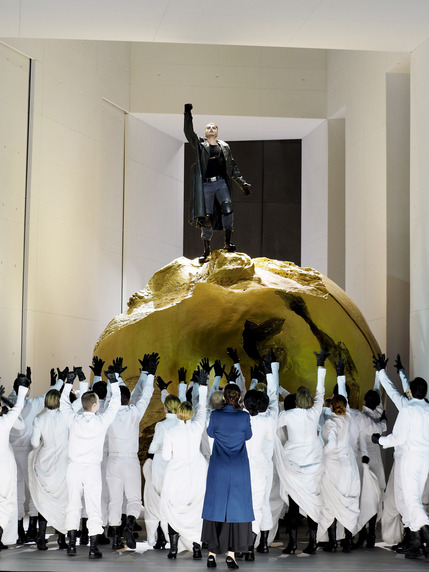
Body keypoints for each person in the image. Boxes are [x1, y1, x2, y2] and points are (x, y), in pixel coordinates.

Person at [60, 365, 120, 559]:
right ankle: (93, 548)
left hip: (74, 468)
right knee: (94, 506)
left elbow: (63, 403)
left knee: (73, 504)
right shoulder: (101, 422)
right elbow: (116, 404)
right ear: (94, 405)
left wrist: (69, 382)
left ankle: (71, 545)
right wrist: (114, 381)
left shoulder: (73, 420)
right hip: (92, 469)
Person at [275, 347, 328, 555]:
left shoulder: (288, 416)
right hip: (314, 464)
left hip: (293, 464)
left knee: (294, 506)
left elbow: (272, 423)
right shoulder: (314, 413)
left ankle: (293, 543)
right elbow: (321, 392)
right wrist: (320, 365)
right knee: (313, 502)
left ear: (296, 400)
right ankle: (313, 542)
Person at [184, 103, 251, 263]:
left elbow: (232, 167)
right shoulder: (200, 145)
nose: (211, 129)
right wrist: (187, 114)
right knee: (206, 217)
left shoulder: (225, 147)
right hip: (206, 185)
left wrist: (242, 184)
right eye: (208, 128)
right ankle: (206, 250)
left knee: (227, 208)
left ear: (217, 131)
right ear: (205, 132)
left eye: (214, 127)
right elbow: (188, 133)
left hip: (221, 183)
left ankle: (228, 243)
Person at [372, 375, 429, 559]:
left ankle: (425, 535)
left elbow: (399, 438)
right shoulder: (427, 409)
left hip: (409, 459)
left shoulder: (408, 409)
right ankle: (415, 542)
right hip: (425, 460)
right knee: (412, 500)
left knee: (410, 500)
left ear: (410, 391)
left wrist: (379, 440)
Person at [106, 354, 158, 550]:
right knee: (134, 499)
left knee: (115, 500)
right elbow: (145, 396)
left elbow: (115, 396)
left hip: (112, 461)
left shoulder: (108, 414)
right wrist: (150, 374)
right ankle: (128, 526)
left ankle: (116, 538)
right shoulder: (134, 412)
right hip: (129, 461)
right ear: (128, 399)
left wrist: (116, 378)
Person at [201, 382, 254, 570]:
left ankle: (212, 554)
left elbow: (210, 433)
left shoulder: (215, 415)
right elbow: (248, 436)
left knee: (216, 508)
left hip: (219, 466)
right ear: (239, 398)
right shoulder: (244, 416)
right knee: (236, 510)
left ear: (224, 397)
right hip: (238, 468)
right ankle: (231, 554)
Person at [160, 371, 208, 560]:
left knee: (174, 509)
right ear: (191, 413)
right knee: (197, 510)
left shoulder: (170, 432)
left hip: (176, 474)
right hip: (197, 472)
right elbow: (203, 407)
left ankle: (173, 549)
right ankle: (196, 548)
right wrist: (203, 386)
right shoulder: (197, 427)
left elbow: (166, 456)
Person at [317, 393, 361, 553]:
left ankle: (333, 542)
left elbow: (331, 444)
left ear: (331, 406)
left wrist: (319, 453)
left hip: (333, 466)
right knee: (347, 503)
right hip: (348, 466)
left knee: (330, 503)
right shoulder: (348, 419)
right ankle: (348, 541)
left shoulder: (331, 423)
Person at [28, 388, 69, 550]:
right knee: (63, 500)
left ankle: (40, 537)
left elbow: (34, 443)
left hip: (44, 462)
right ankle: (61, 539)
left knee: (43, 500)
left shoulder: (39, 419)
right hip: (62, 463)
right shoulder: (66, 416)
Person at [0, 376, 29, 550]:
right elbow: (19, 416)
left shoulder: (4, 421)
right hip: (4, 466)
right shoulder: (4, 422)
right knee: (6, 502)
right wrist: (21, 391)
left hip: (5, 463)